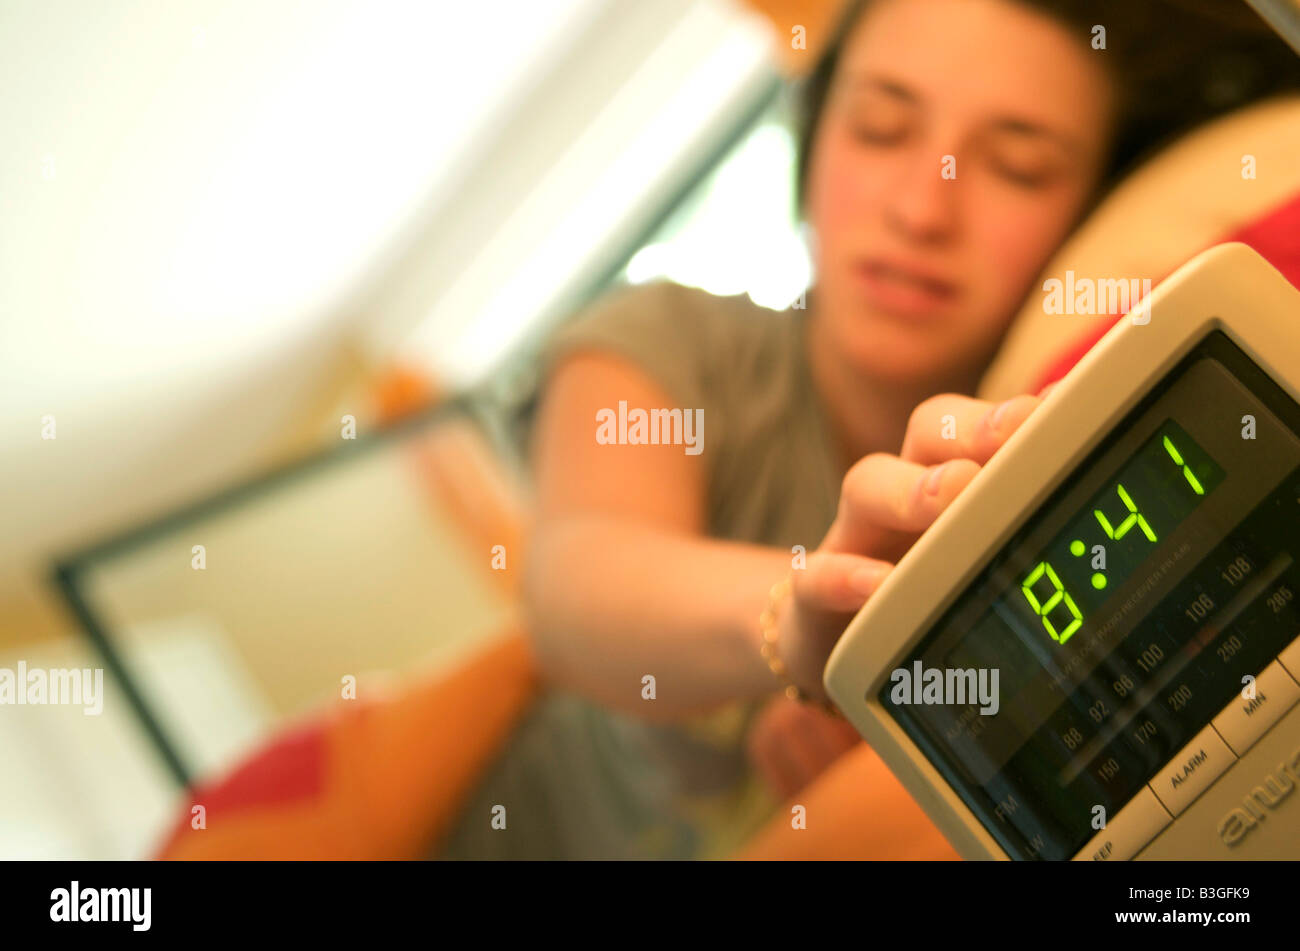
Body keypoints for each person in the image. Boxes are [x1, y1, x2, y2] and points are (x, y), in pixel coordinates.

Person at [433, 0, 1300, 860]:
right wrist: (814, 624)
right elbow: (571, 589)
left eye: (1019, 166)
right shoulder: (671, 342)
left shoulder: (1102, 447)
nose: (923, 209)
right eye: (881, 129)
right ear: (810, 142)